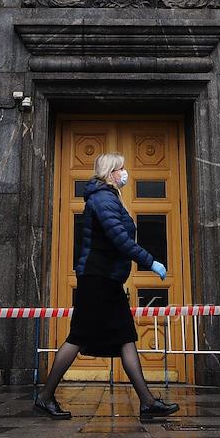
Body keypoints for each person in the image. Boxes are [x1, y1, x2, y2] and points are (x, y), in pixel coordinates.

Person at [33, 152, 180, 423]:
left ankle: (147, 402)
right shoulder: (103, 198)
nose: (125, 173)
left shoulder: (107, 197)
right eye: (121, 168)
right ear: (111, 172)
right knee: (79, 337)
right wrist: (150, 262)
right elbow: (119, 239)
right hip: (98, 279)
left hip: (106, 280)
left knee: (125, 336)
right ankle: (45, 396)